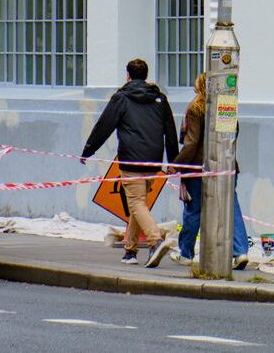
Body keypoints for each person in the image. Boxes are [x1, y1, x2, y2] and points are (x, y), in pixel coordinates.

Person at [82, 57, 179, 267]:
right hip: (153, 161)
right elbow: (170, 131)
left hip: (131, 159)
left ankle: (155, 241)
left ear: (127, 76)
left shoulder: (121, 98)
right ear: (145, 76)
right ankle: (130, 251)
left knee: (135, 203)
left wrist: (88, 151)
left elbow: (103, 126)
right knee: (139, 204)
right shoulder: (160, 99)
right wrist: (173, 160)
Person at [170, 73, 250, 270]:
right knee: (231, 208)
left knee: (193, 209)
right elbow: (233, 135)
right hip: (226, 167)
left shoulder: (195, 109)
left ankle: (186, 253)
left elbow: (191, 143)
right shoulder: (226, 107)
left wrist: (177, 164)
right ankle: (240, 252)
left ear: (199, 86)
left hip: (199, 168)